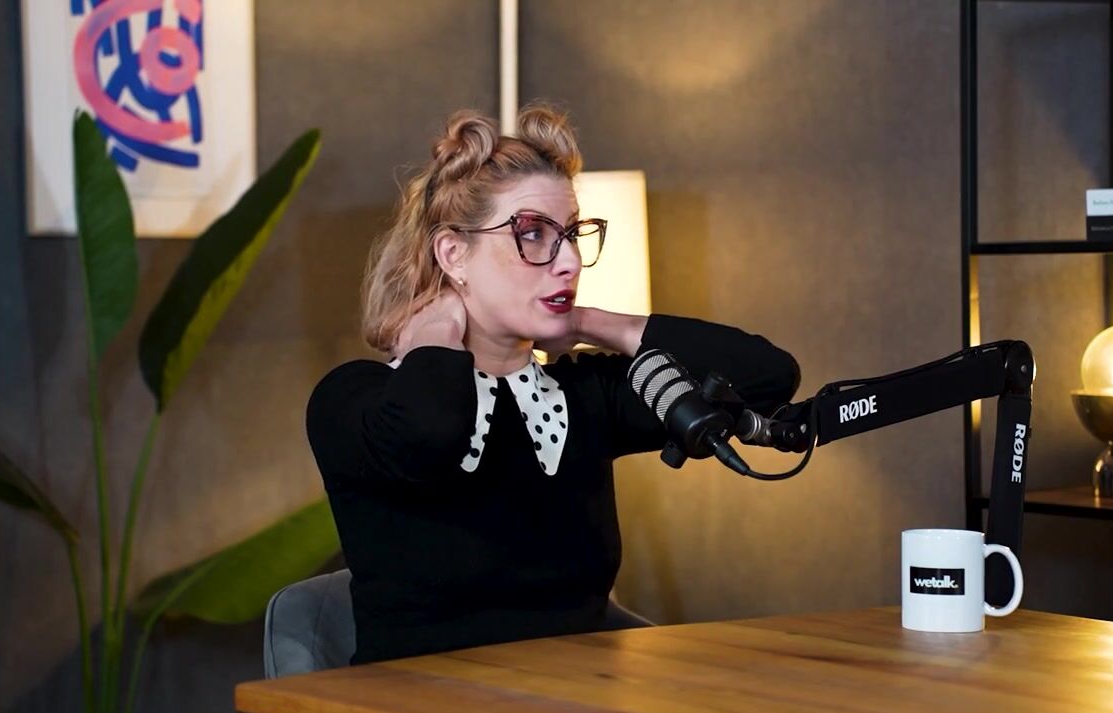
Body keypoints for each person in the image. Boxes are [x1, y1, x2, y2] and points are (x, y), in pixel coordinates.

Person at [306, 103, 801, 665]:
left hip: (579, 696)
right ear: (453, 254)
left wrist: (594, 322)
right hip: (418, 702)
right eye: (533, 234)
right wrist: (437, 328)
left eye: (571, 235)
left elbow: (766, 376)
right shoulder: (352, 399)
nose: (569, 261)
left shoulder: (585, 396)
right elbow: (429, 431)